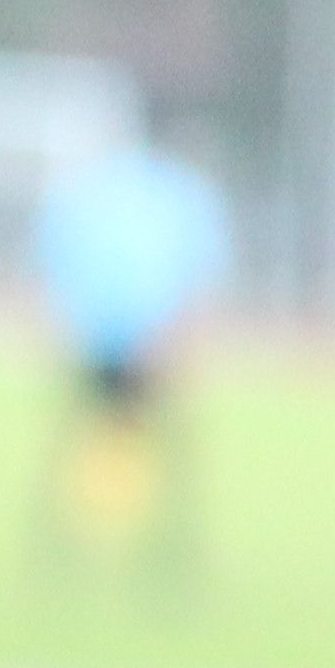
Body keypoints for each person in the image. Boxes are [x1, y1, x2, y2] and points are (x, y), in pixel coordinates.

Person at [25, 128, 229, 578]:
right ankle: (77, 548)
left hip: (125, 341)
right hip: (130, 341)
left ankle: (161, 552)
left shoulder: (96, 191)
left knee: (146, 447)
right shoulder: (172, 194)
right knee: (120, 443)